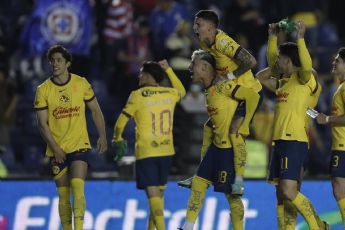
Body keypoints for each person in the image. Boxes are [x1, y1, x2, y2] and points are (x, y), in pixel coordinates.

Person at [178, 9, 263, 195]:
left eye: (198, 24)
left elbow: (251, 61)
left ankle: (239, 181)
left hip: (248, 92)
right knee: (209, 128)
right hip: (231, 94)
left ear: (210, 27)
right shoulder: (205, 42)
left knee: (235, 131)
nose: (195, 27)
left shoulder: (223, 42)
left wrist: (229, 76)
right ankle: (201, 175)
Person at [256, 21, 326, 230]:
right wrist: (272, 40)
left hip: (295, 139)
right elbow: (260, 77)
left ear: (289, 60)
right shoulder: (284, 82)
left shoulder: (307, 79)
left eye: (279, 59)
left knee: (289, 191)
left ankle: (318, 226)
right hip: (280, 141)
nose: (276, 62)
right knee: (281, 193)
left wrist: (301, 38)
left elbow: (304, 65)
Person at [180, 50, 260, 230]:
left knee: (232, 196)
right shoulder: (209, 90)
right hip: (215, 148)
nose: (190, 67)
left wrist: (244, 125)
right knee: (199, 184)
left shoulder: (223, 87)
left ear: (205, 67)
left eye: (193, 64)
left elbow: (253, 96)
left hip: (228, 150)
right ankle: (188, 226)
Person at [34, 45, 108, 230]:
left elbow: (96, 110)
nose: (55, 63)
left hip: (79, 145)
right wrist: (56, 149)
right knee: (63, 195)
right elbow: (42, 125)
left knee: (77, 185)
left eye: (59, 60)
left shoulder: (81, 83)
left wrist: (102, 136)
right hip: (56, 149)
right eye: (52, 60)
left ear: (68, 63)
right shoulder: (43, 90)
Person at [112, 60, 186, 230]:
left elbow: (120, 123)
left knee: (152, 194)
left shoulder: (137, 95)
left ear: (147, 75)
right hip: (167, 150)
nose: (139, 76)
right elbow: (182, 91)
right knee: (158, 195)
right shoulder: (170, 93)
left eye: (141, 73)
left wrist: (117, 138)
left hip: (147, 151)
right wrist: (168, 69)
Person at [315, 47, 345, 230]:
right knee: (339, 188)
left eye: (338, 60)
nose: (333, 62)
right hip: (342, 143)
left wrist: (327, 119)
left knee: (339, 189)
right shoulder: (343, 85)